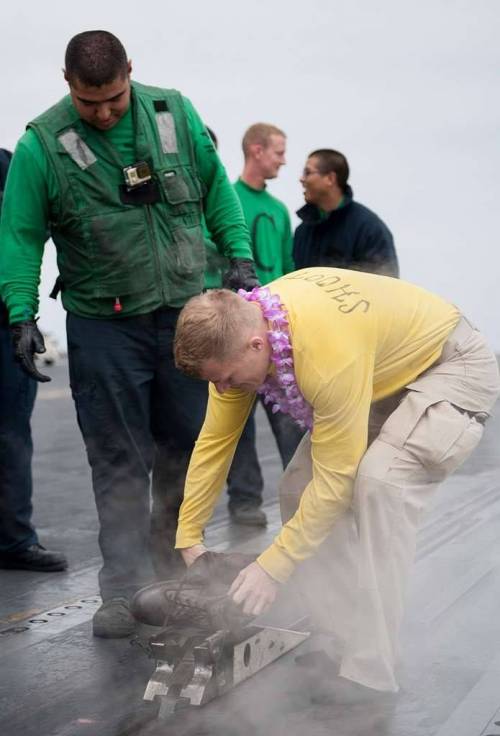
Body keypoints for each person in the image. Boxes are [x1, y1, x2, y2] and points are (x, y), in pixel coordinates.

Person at [0, 31, 257, 638]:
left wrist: (239, 256)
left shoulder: (172, 112)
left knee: (188, 449)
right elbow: (21, 235)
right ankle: (120, 591)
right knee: (118, 460)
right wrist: (21, 313)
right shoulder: (43, 145)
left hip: (184, 320)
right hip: (104, 325)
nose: (104, 113)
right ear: (69, 84)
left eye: (113, 99)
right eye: (90, 103)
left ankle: (171, 579)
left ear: (130, 75)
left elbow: (216, 188)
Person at [173, 268, 499, 697]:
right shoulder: (236, 335)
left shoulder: (323, 353)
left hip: (452, 365)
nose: (223, 388)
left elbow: (335, 481)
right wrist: (189, 534)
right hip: (382, 370)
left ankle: (370, 670)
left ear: (257, 345)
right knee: (296, 489)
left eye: (227, 378)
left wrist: (274, 567)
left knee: (382, 484)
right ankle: (341, 639)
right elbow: (215, 442)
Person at [225, 123, 304, 526]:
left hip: (275, 337)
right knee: (237, 424)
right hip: (236, 335)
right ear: (256, 151)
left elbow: (289, 271)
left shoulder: (277, 211)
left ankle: (302, 496)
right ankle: (244, 503)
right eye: (278, 152)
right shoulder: (228, 200)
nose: (284, 160)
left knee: (290, 418)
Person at [0, 148, 67, 572]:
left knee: (10, 437)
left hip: (7, 320)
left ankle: (14, 539)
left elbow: (31, 229)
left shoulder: (10, 165)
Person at [294, 149, 399, 277]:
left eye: (307, 172)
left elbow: (386, 282)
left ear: (330, 178)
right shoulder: (302, 231)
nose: (301, 179)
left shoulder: (368, 228)